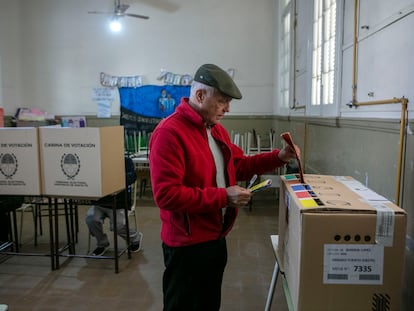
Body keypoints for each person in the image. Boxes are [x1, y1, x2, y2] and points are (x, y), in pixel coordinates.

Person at [149, 63, 300, 311]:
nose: (227, 109)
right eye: (222, 101)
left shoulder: (216, 130)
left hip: (215, 238)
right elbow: (167, 195)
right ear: (200, 96)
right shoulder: (169, 133)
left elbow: (238, 165)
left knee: (208, 305)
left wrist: (279, 157)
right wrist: (223, 197)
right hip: (186, 246)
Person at [85, 156, 143, 256]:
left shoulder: (126, 160)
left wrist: (114, 177)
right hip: (100, 203)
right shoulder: (98, 159)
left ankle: (135, 238)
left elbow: (132, 176)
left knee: (118, 226)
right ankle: (102, 244)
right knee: (91, 219)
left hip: (118, 204)